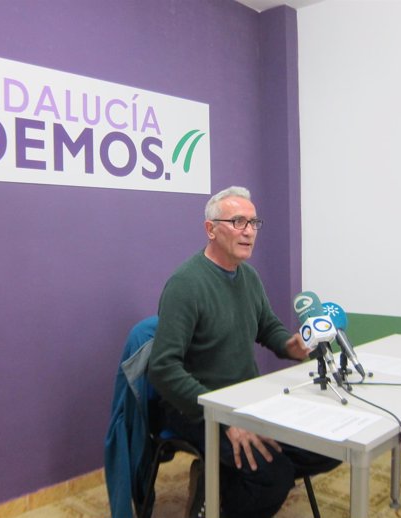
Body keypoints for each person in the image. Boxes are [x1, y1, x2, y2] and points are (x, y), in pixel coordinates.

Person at [147, 186, 340, 518]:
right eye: (238, 221)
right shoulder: (186, 284)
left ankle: (221, 480)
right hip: (197, 406)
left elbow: (267, 326)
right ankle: (226, 490)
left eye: (253, 222)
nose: (249, 231)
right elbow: (163, 369)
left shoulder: (248, 277)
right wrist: (224, 420)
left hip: (245, 397)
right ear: (211, 229)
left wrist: (288, 345)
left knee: (331, 446)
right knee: (273, 476)